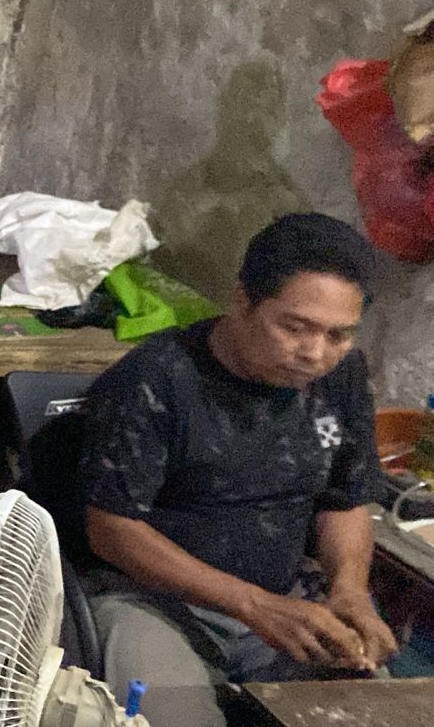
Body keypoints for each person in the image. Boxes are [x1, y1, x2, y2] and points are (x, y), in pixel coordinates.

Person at [79, 213, 396, 727]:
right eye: (294, 327)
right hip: (155, 601)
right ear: (241, 300)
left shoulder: (341, 377)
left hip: (288, 597)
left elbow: (345, 499)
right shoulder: (156, 379)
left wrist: (349, 590)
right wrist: (253, 605)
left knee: (376, 713)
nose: (314, 353)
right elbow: (112, 529)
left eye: (338, 335)